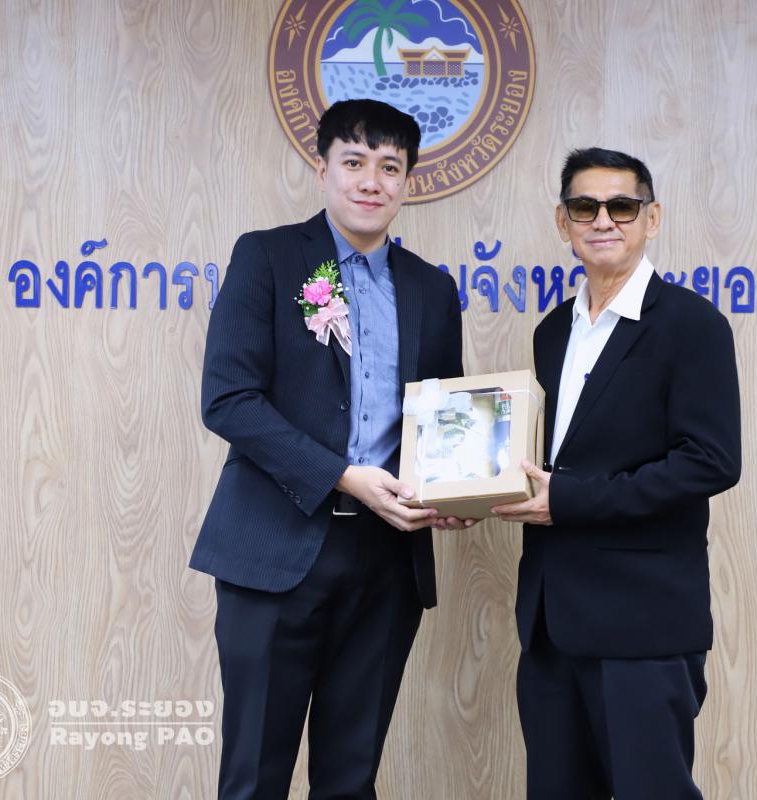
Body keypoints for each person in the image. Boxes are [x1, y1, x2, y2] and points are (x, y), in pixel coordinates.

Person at [190, 98, 467, 799]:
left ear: (407, 181)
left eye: (390, 167)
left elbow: (443, 418)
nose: (371, 180)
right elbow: (228, 398)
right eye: (354, 162)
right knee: (254, 778)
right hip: (275, 551)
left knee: (350, 780)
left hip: (387, 559)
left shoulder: (433, 289)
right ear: (323, 171)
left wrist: (456, 489)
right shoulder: (269, 257)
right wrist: (344, 476)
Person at [493, 147, 742, 799]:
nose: (603, 220)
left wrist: (569, 500)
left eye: (622, 206)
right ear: (564, 221)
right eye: (585, 206)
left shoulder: (692, 325)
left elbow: (710, 461)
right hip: (551, 621)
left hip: (643, 624)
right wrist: (475, 491)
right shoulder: (553, 331)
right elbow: (551, 461)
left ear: (651, 219)